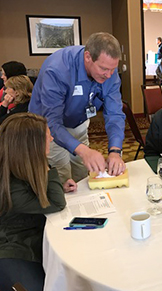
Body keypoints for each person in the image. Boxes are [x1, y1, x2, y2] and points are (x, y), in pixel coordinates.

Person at [29, 32, 126, 184]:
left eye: (113, 69)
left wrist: (115, 151)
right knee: (63, 177)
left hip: (79, 122)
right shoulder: (57, 70)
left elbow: (115, 114)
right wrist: (84, 151)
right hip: (48, 131)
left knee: (82, 175)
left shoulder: (110, 73)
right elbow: (52, 123)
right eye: (104, 69)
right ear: (88, 57)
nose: (109, 75)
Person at [0, 113, 77, 291]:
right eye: (47, 135)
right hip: (15, 249)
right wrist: (45, 164)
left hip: (30, 238)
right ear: (30, 146)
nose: (51, 138)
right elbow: (57, 203)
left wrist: (52, 187)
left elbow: (40, 194)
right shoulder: (10, 188)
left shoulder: (15, 165)